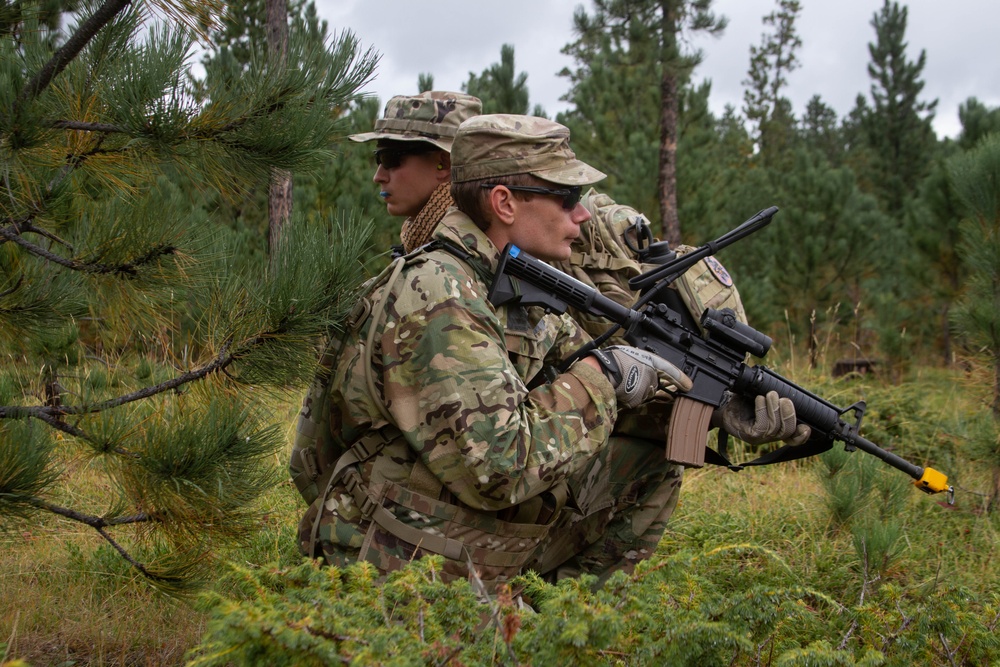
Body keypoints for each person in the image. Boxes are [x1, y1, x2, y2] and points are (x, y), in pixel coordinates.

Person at [291, 114, 807, 590]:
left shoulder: (508, 284)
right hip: (385, 559)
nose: (582, 212)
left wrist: (721, 412)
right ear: (505, 203)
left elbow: (612, 403)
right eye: (566, 196)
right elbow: (501, 466)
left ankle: (557, 618)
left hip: (440, 528)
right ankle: (482, 615)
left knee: (649, 460)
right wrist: (604, 374)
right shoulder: (439, 293)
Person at [348, 90, 482, 256]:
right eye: (378, 159)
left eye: (389, 159)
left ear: (444, 164)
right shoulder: (459, 242)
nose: (378, 177)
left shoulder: (451, 259)